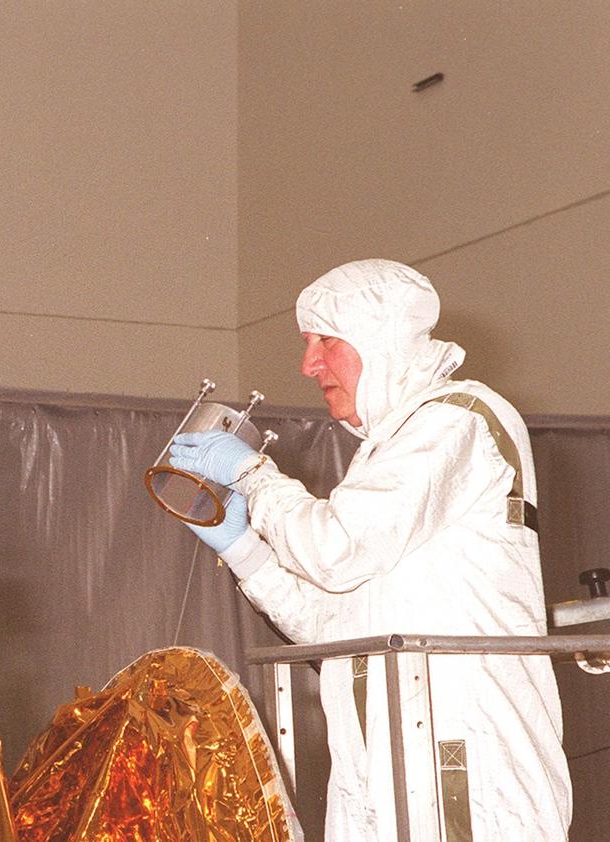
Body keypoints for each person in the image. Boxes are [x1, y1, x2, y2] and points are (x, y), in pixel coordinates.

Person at [169, 259, 571, 841]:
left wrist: (255, 477)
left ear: (379, 339)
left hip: (464, 759)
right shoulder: (388, 454)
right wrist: (244, 549)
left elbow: (338, 549)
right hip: (381, 759)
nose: (308, 365)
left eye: (325, 341)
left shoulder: (459, 421)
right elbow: (333, 626)